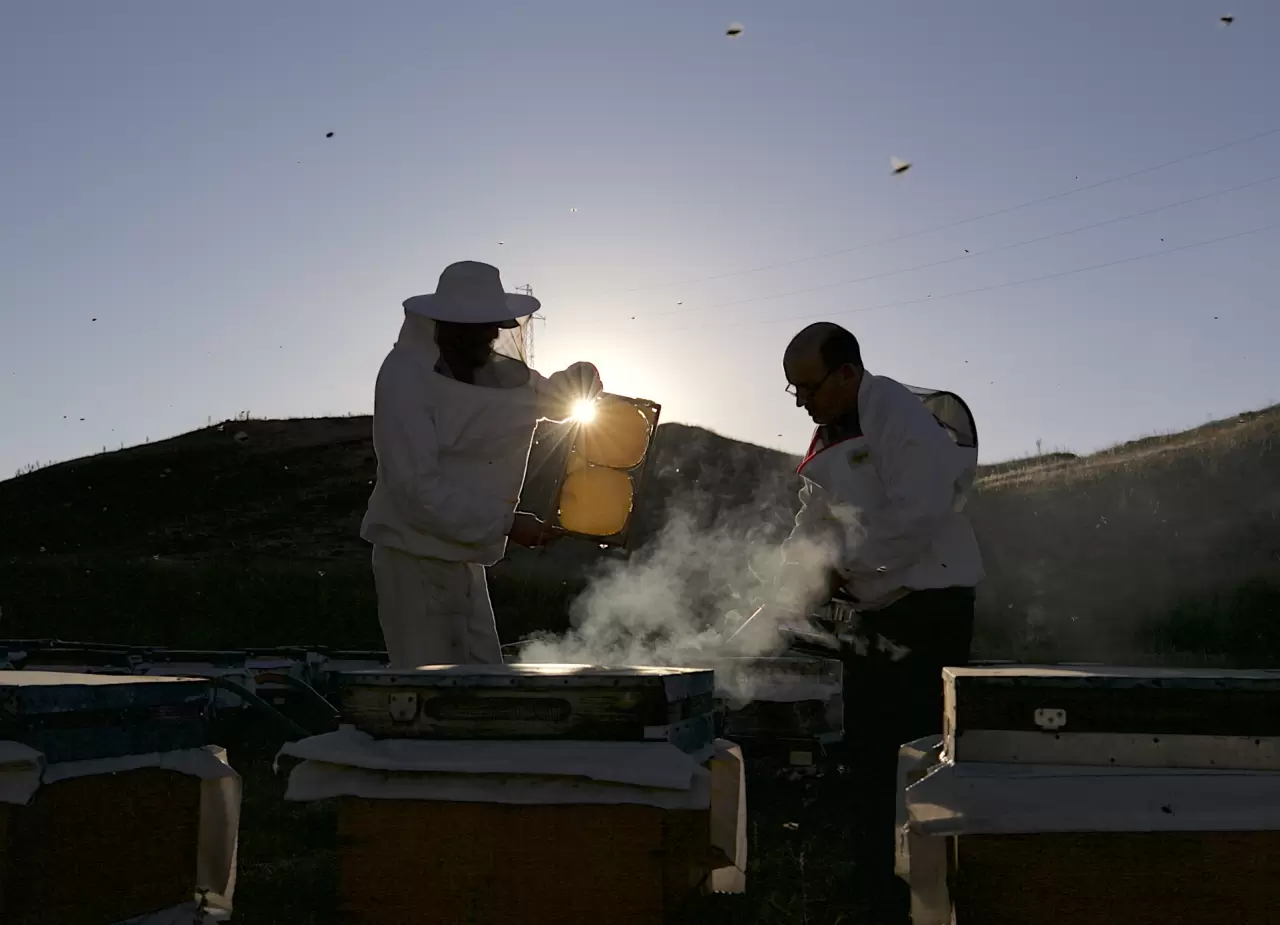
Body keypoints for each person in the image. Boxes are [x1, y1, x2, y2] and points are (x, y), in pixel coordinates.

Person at [778, 321, 983, 919]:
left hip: (928, 610)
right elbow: (814, 516)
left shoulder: (898, 414)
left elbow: (919, 512)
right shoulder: (831, 431)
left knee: (917, 759)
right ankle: (876, 895)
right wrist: (791, 569)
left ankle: (924, 897)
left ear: (846, 373)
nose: (803, 402)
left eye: (807, 388)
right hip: (874, 615)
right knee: (869, 761)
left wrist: (839, 567)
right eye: (794, 391)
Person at [360, 260, 602, 669]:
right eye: (482, 325)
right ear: (448, 325)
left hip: (464, 557)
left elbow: (554, 399)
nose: (493, 334)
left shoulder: (497, 374)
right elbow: (416, 489)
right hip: (412, 558)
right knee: (434, 694)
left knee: (484, 682)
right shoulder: (405, 377)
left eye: (498, 324)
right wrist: (508, 522)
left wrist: (584, 376)